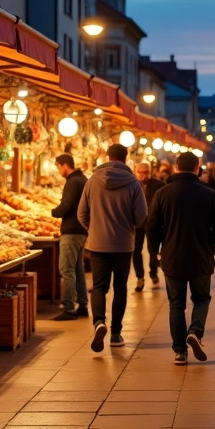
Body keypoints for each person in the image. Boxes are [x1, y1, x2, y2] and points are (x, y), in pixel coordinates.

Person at [146, 152, 215, 365]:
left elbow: (151, 227)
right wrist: (213, 244)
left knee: (176, 304)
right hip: (201, 256)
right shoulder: (207, 194)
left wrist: (155, 253)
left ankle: (179, 351)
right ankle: (195, 331)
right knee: (201, 298)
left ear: (175, 168)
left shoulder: (162, 194)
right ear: (197, 168)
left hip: (172, 257)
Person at [78, 144, 148, 352]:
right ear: (126, 158)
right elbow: (141, 216)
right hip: (123, 245)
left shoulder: (92, 181)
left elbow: (81, 214)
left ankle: (99, 322)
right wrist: (129, 227)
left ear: (108, 157)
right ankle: (116, 333)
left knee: (99, 286)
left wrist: (95, 229)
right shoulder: (133, 183)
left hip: (98, 244)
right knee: (120, 287)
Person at [50, 154, 89, 321]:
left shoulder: (73, 182)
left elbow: (67, 204)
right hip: (81, 230)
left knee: (67, 269)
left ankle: (68, 308)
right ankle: (82, 305)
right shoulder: (82, 179)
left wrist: (54, 212)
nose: (58, 170)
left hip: (71, 231)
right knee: (78, 269)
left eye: (58, 166)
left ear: (65, 165)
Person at [132, 162, 164, 291]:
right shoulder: (131, 186)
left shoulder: (158, 186)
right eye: (140, 172)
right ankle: (140, 278)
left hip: (153, 223)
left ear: (150, 172)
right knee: (136, 251)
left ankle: (153, 272)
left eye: (146, 172)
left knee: (153, 250)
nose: (143, 175)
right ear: (135, 172)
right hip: (137, 223)